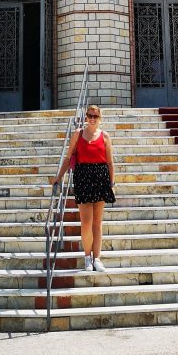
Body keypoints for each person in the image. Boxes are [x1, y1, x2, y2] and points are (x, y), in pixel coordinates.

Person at [50, 105, 115, 273]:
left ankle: (97, 258)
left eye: (95, 115)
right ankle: (87, 257)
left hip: (101, 177)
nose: (92, 118)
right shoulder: (78, 134)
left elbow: (110, 163)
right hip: (83, 176)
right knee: (86, 222)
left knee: (97, 223)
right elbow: (69, 157)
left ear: (100, 118)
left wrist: (112, 184)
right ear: (86, 117)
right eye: (89, 115)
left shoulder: (105, 136)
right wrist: (58, 178)